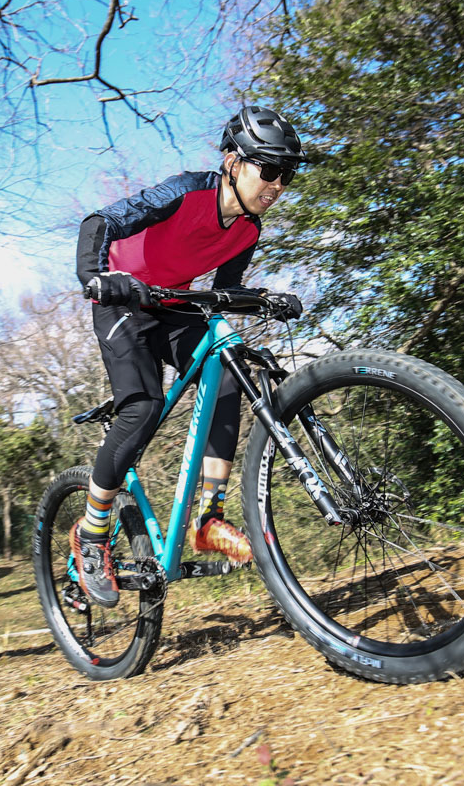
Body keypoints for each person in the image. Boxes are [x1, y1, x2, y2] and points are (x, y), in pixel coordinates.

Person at [72, 106, 307, 608]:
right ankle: (91, 535)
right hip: (121, 300)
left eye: (287, 174)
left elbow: (227, 293)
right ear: (232, 163)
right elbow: (101, 221)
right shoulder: (186, 191)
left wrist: (264, 297)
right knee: (142, 407)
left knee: (226, 370)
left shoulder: (248, 229)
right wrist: (94, 276)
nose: (278, 184)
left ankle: (208, 519)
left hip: (173, 303)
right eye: (269, 169)